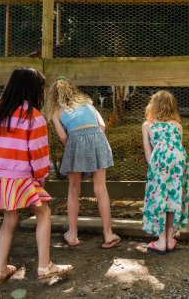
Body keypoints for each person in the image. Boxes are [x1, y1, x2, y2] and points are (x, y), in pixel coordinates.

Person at [0, 67, 72, 285]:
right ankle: (44, 266)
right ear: (32, 90)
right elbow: (39, 154)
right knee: (44, 213)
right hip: (22, 177)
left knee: (9, 219)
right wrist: (40, 178)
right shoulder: (34, 116)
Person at [47, 77, 120, 249]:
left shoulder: (57, 111)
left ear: (54, 97)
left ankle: (72, 234)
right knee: (100, 189)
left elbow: (64, 137)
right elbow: (102, 126)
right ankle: (108, 234)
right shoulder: (89, 104)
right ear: (74, 90)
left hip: (75, 142)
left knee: (74, 189)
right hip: (98, 139)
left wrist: (75, 147)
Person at [141, 90, 189, 254]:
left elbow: (148, 153)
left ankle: (161, 241)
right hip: (178, 162)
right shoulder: (177, 126)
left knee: (160, 198)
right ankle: (170, 239)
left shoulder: (148, 125)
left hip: (160, 163)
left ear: (152, 106)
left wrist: (155, 170)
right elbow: (178, 147)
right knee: (173, 199)